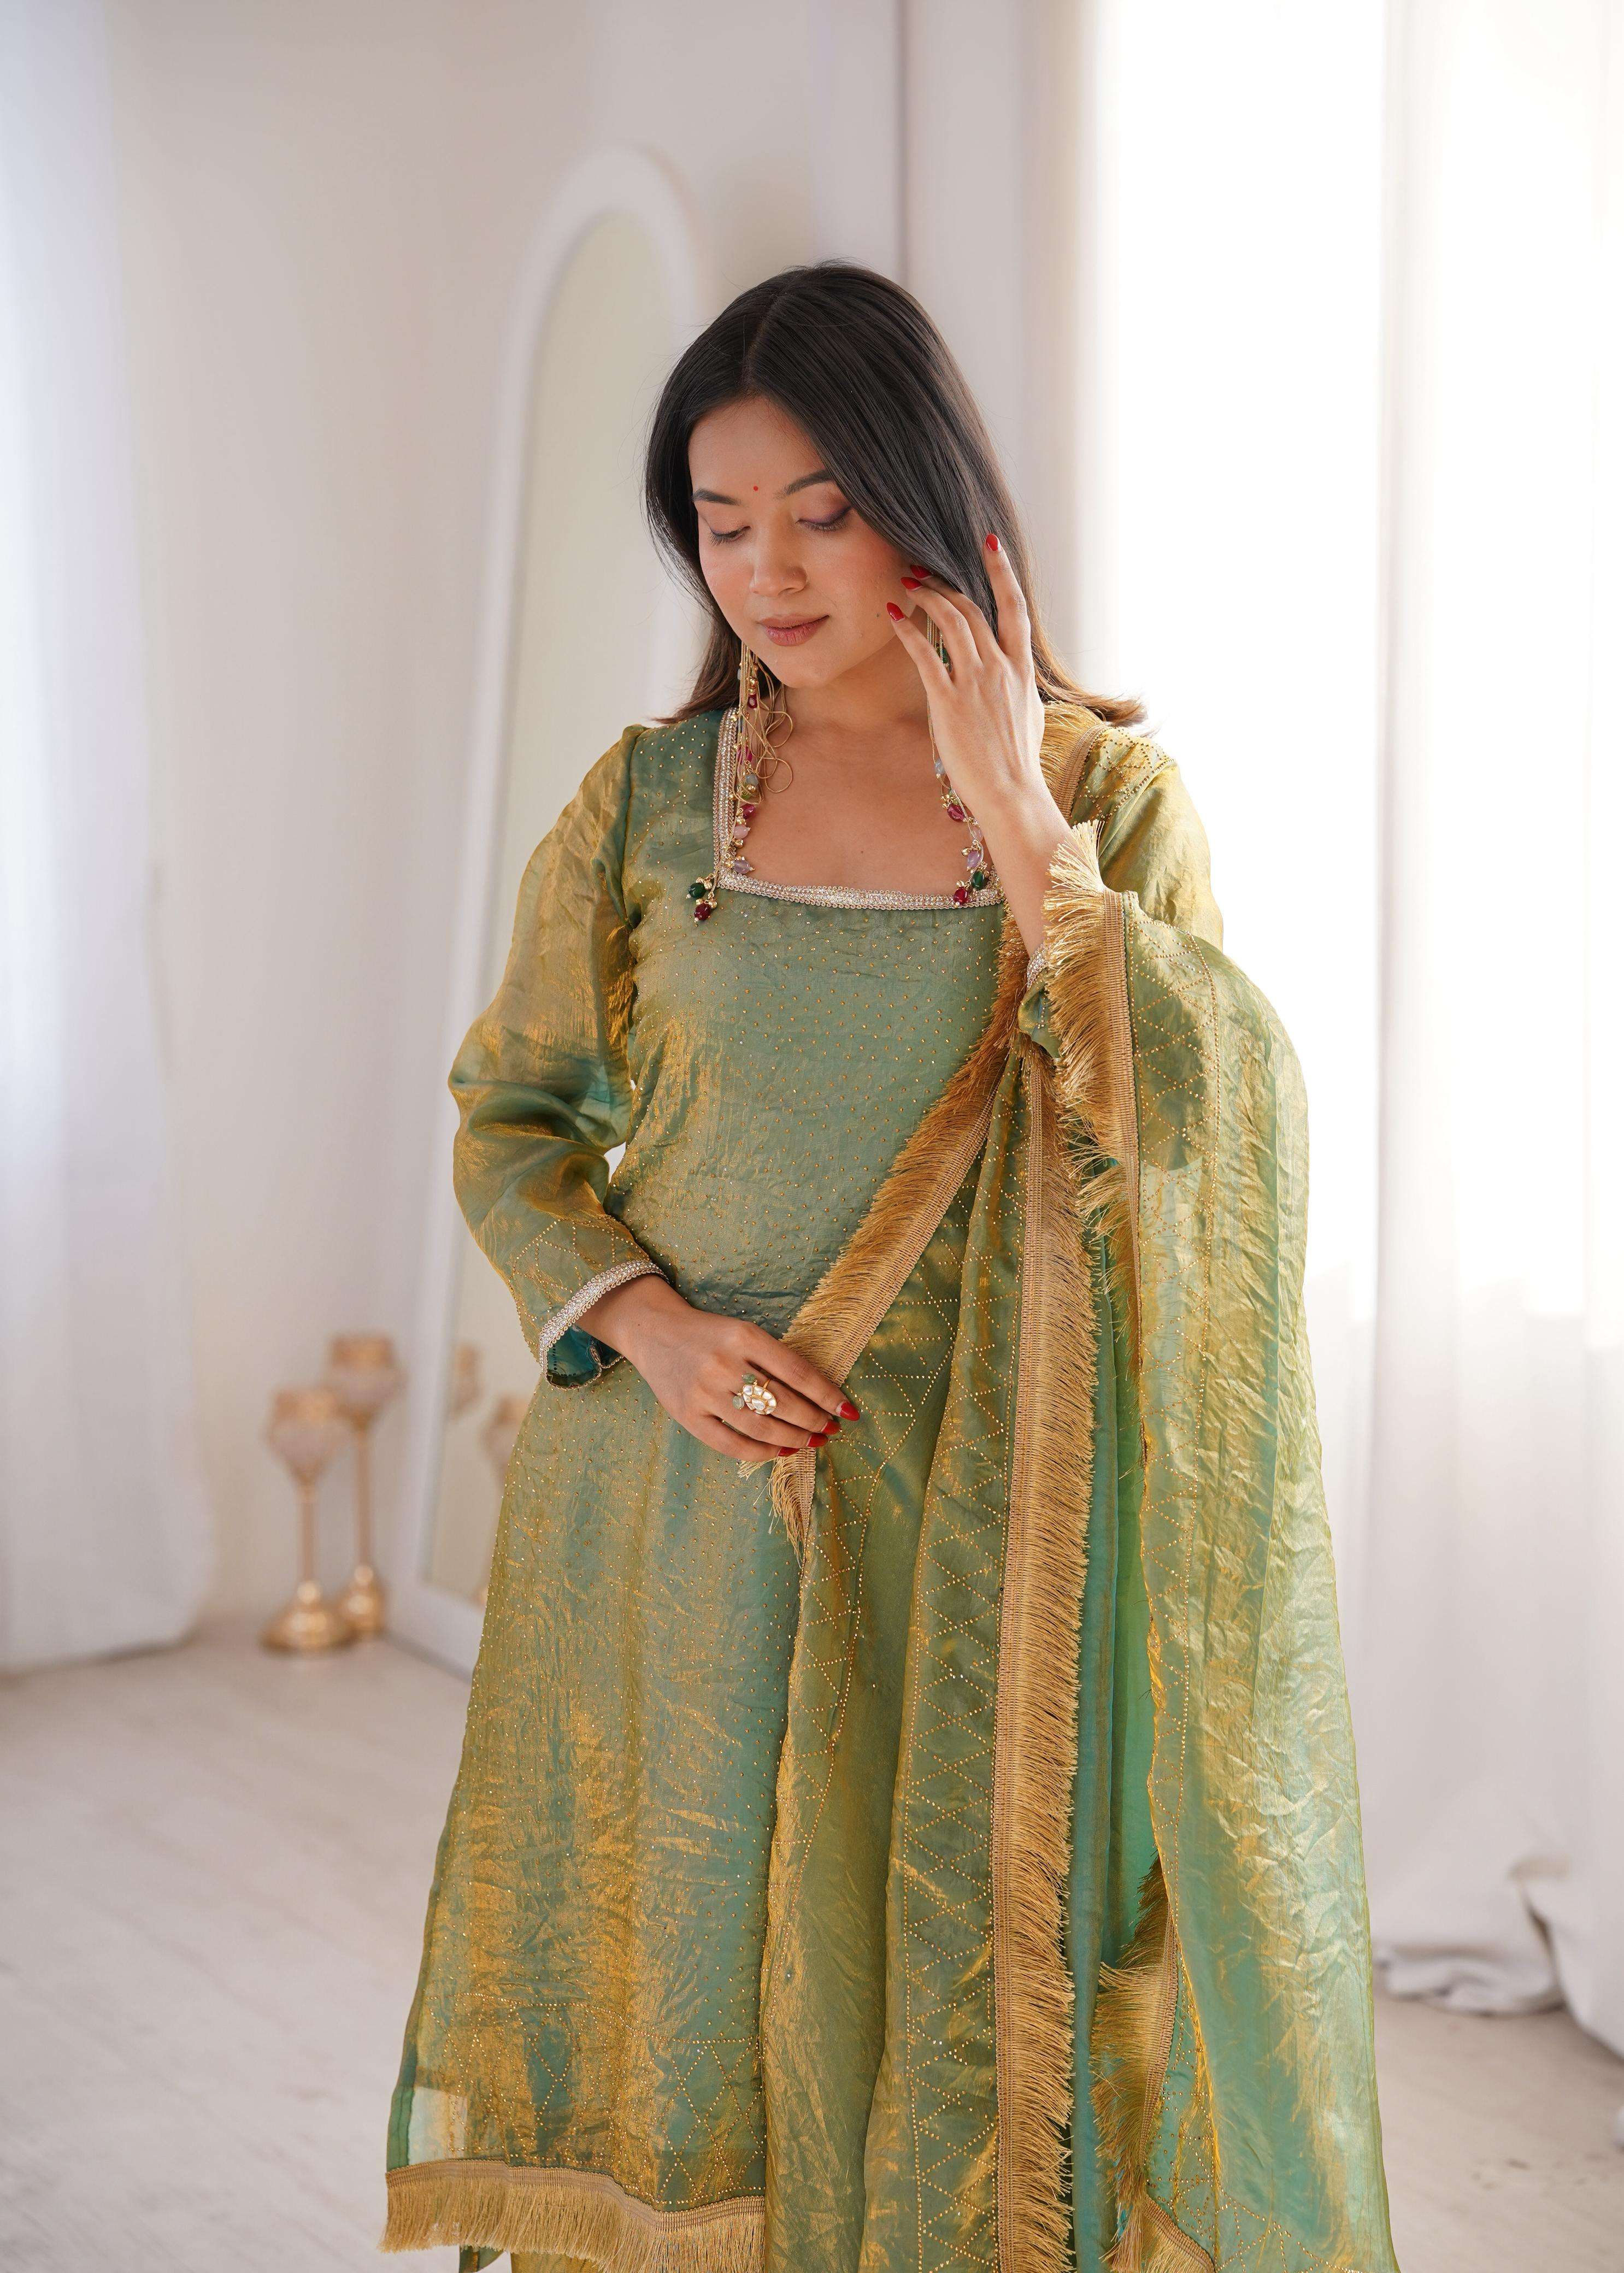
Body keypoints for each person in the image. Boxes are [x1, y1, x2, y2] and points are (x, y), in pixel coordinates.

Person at [382, 263, 1398, 2273]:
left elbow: (1197, 1129)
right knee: (687, 1961)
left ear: (926, 502)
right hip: (678, 1498)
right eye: (720, 522)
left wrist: (1016, 813)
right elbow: (514, 1116)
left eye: (819, 512)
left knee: (943, 1979)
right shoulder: (650, 802)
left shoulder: (1103, 799)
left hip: (987, 1534)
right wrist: (645, 1327)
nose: (765, 570)